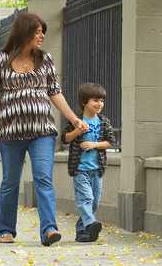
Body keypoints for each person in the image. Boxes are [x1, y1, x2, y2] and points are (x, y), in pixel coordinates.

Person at [0, 12, 87, 246]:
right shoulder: (1, 60)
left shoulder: (45, 59)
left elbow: (55, 92)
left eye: (43, 31)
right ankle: (5, 229)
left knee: (43, 178)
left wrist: (73, 119)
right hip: (10, 133)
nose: (41, 36)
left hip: (42, 131)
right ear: (24, 32)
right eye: (37, 31)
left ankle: (49, 229)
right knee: (10, 181)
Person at [61, 83, 115, 242]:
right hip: (80, 169)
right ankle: (91, 223)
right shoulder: (76, 121)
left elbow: (111, 142)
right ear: (85, 102)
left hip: (97, 169)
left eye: (102, 101)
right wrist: (77, 130)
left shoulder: (104, 122)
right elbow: (65, 139)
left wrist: (94, 145)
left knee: (94, 202)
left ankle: (83, 232)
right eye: (96, 100)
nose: (100, 104)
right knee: (86, 199)